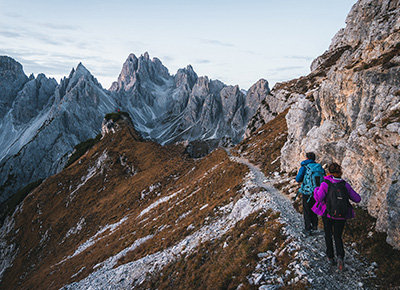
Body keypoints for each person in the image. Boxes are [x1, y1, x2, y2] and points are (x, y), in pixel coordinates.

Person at [312, 162, 361, 271]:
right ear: (340, 172)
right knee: (338, 236)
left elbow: (319, 198)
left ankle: (330, 257)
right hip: (341, 216)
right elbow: (357, 199)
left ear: (329, 172)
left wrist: (316, 190)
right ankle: (340, 258)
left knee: (328, 235)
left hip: (328, 214)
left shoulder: (325, 183)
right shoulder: (345, 185)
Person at [295, 152, 325, 236]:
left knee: (307, 210)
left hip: (307, 192)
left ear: (307, 158)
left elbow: (298, 179)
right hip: (318, 192)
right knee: (314, 208)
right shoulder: (319, 167)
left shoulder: (304, 167)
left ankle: (308, 228)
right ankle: (315, 225)